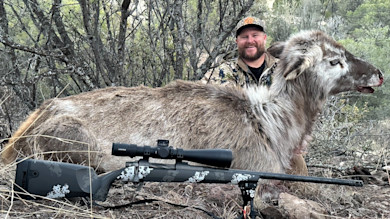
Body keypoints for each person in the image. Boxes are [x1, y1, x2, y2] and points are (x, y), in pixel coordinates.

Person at [202, 16, 308, 176]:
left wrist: (301, 136)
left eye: (255, 35)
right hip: (236, 144)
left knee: (299, 169)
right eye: (244, 37)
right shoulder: (222, 72)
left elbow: (303, 107)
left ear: (264, 38)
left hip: (277, 145)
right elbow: (202, 105)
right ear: (237, 41)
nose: (250, 40)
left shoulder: (285, 70)